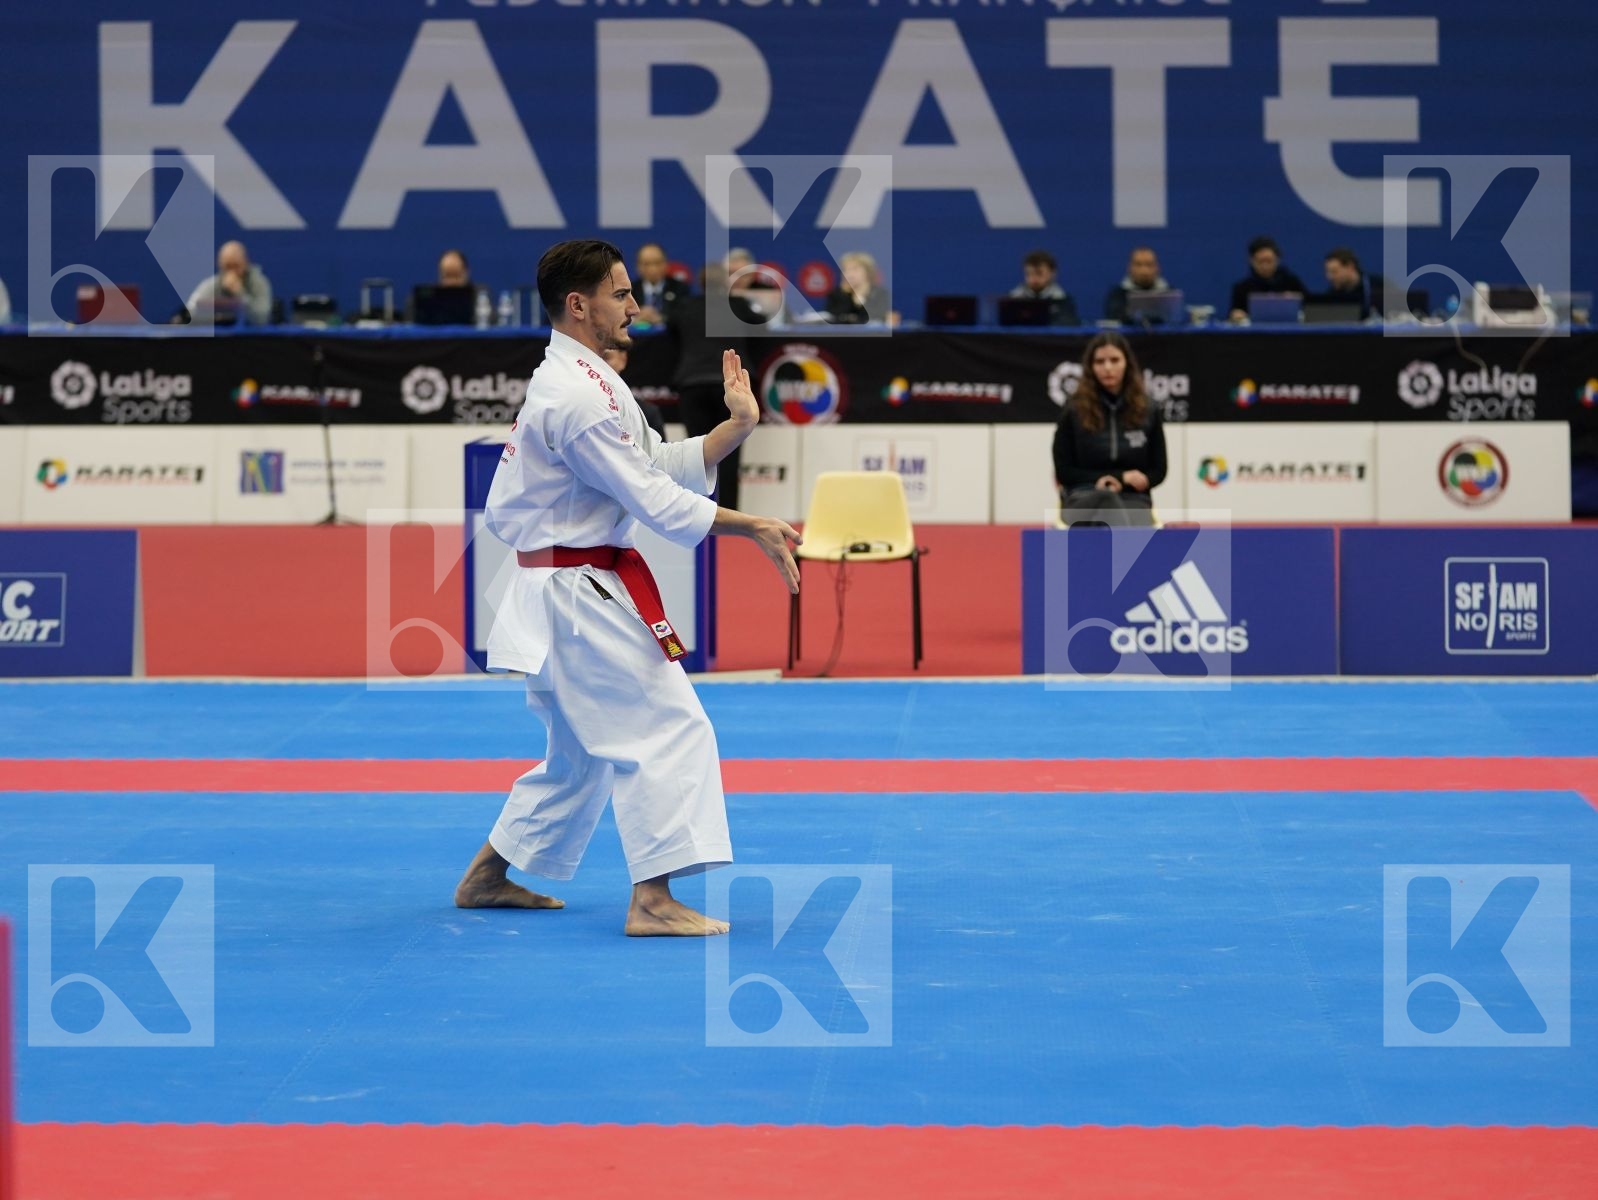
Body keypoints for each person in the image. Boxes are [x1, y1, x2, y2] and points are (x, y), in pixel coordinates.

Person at [454, 238, 802, 937]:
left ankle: (488, 874)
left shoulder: (590, 382)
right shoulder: (575, 397)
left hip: (566, 584)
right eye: (620, 292)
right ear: (579, 306)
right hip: (575, 591)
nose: (634, 304)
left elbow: (657, 463)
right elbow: (654, 499)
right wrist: (753, 523)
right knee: (674, 728)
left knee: (579, 755)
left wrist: (735, 428)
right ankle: (652, 900)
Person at [666, 263, 759, 511]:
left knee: (698, 454)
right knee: (730, 454)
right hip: (729, 387)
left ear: (701, 283)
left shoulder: (684, 306)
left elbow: (669, 327)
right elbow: (763, 325)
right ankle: (728, 513)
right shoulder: (738, 305)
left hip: (692, 384)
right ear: (725, 283)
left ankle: (701, 513)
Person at [1052, 332, 1167, 527]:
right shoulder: (1073, 410)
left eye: (1114, 360)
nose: (1108, 368)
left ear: (1127, 363)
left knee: (1121, 521)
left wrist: (1130, 482)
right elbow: (1064, 471)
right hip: (1083, 496)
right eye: (1100, 361)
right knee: (1107, 508)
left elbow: (1159, 470)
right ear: (1090, 367)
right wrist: (1111, 478)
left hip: (1134, 499)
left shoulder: (1149, 409)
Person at [185, 240, 273, 325]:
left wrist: (239, 293)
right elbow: (190, 312)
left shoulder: (258, 283)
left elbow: (262, 318)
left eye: (236, 266)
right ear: (220, 265)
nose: (232, 272)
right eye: (227, 266)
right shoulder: (212, 285)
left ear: (246, 263)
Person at [1228, 236, 1306, 321]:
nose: (1265, 266)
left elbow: (1310, 308)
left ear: (1277, 259)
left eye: (1269, 261)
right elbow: (1233, 315)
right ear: (1251, 261)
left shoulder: (1291, 282)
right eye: (1260, 261)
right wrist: (1236, 315)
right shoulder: (1242, 288)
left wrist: (1296, 301)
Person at [601, 347, 666, 439]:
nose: (597, 364)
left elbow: (658, 452)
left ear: (622, 359)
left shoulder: (647, 414)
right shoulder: (578, 405)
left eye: (605, 358)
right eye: (594, 357)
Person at [1009, 249, 1079, 326]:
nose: (1033, 279)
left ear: (1052, 274)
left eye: (1039, 273)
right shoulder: (1013, 299)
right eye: (1029, 273)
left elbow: (1069, 326)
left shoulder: (1063, 301)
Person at [1103, 246, 1172, 324]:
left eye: (1149, 265)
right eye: (1138, 265)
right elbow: (1114, 317)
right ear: (1130, 268)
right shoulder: (1117, 295)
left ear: (1157, 268)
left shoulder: (1170, 294)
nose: (1144, 271)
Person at [825, 251, 897, 325]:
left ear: (868, 272)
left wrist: (860, 300)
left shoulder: (880, 293)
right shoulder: (836, 294)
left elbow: (879, 316)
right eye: (846, 270)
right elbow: (834, 317)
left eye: (855, 269)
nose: (850, 274)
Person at [1322, 247, 1385, 320]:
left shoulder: (1379, 285)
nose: (1329, 277)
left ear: (1350, 267)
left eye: (1334, 272)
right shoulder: (1330, 296)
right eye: (1328, 272)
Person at [632, 243, 685, 326]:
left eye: (657, 263)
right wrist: (635, 318)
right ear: (638, 266)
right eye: (647, 264)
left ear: (666, 264)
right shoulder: (630, 290)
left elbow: (684, 317)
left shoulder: (680, 289)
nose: (653, 269)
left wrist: (662, 318)